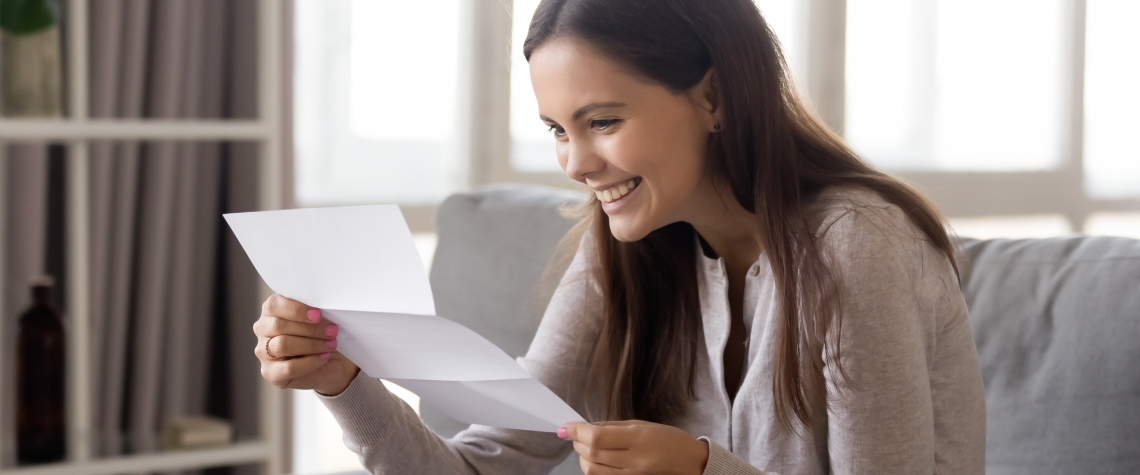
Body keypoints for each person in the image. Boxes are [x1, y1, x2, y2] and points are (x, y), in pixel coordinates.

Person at [251, 0, 986, 473]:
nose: (575, 163)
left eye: (603, 121)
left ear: (714, 96)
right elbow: (478, 469)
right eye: (557, 131)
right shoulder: (622, 248)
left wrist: (702, 470)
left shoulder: (855, 247)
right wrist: (342, 382)